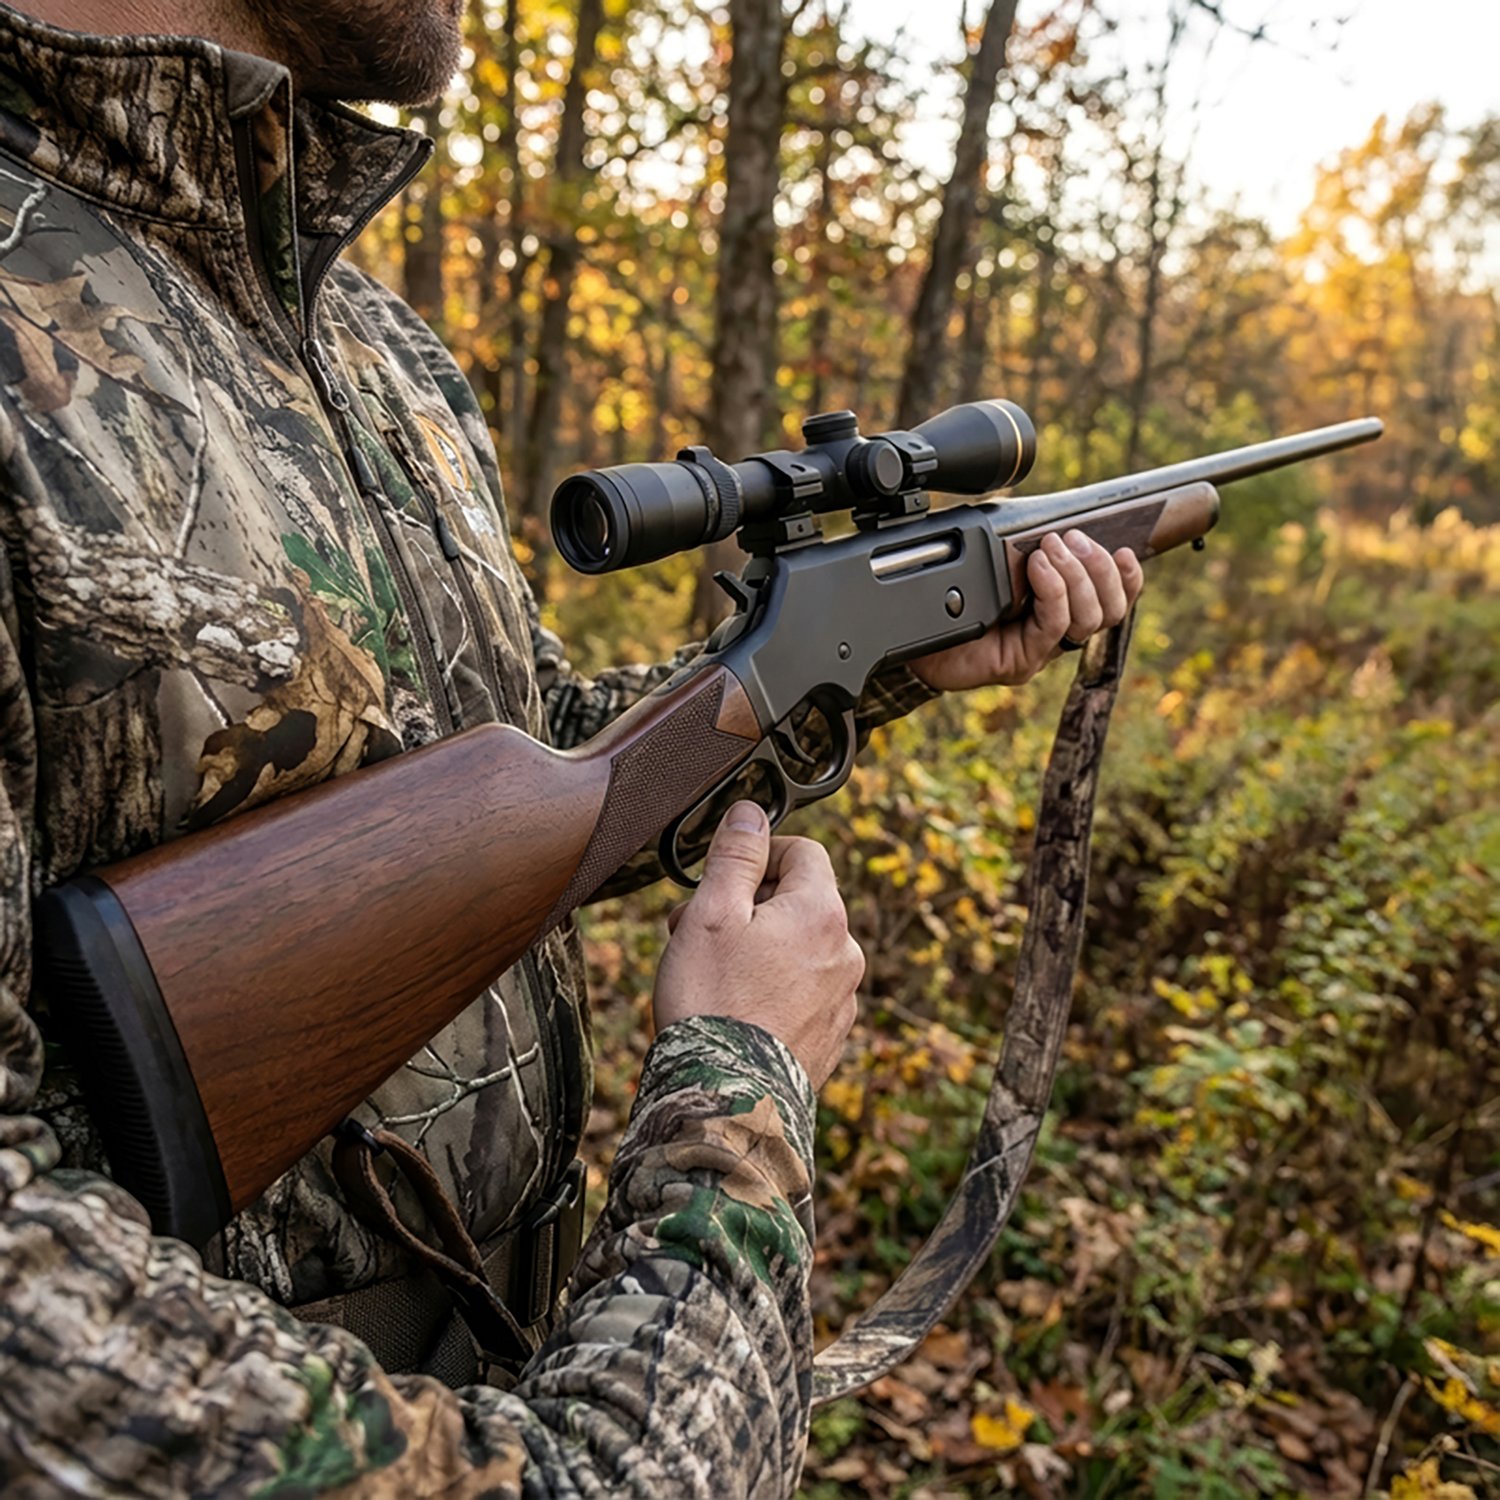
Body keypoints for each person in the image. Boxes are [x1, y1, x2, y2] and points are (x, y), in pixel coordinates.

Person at [0, 0, 1144, 1492]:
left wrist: (859, 663)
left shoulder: (375, 341)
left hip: (527, 1328)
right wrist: (733, 1096)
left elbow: (551, 774)